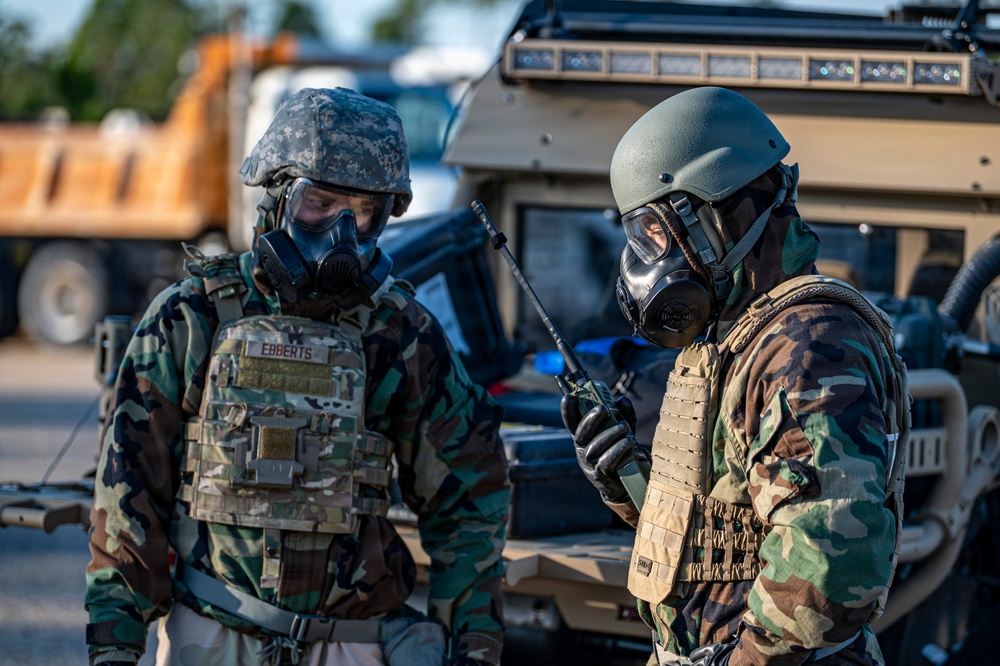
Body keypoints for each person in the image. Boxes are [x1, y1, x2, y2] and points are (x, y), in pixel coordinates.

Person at [85, 87, 510, 666]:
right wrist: (114, 649)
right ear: (278, 196)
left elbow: (469, 500)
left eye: (362, 211)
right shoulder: (192, 317)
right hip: (213, 634)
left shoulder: (401, 334)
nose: (340, 231)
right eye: (320, 203)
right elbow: (126, 499)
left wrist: (473, 649)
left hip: (352, 642)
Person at [561, 87, 909, 666]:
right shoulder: (735, 339)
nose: (647, 259)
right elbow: (720, 536)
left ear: (719, 213)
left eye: (655, 232)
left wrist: (742, 660)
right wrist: (624, 475)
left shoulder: (808, 346)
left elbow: (832, 556)